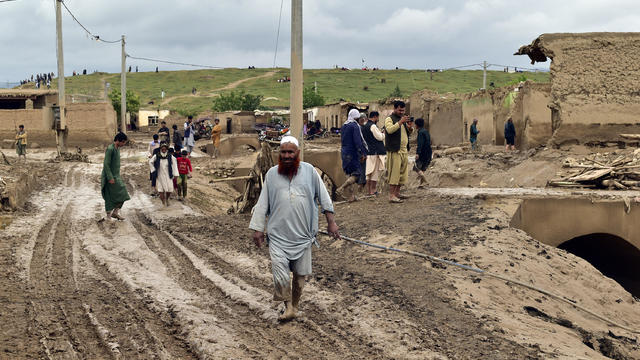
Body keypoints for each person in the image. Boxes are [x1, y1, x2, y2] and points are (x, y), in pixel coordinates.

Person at [249, 136, 340, 321]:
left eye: (291, 152)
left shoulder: (310, 172)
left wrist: (331, 222)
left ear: (297, 153)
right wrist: (258, 229)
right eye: (283, 152)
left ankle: (295, 305)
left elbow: (324, 198)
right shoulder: (272, 175)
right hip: (278, 236)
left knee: (300, 277)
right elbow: (262, 204)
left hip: (303, 236)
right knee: (280, 274)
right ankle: (288, 307)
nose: (287, 156)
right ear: (279, 154)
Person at [335, 109, 368, 201]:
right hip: (352, 153)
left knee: (349, 174)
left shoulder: (344, 126)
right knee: (357, 174)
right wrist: (362, 153)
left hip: (344, 152)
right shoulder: (354, 126)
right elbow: (357, 141)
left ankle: (351, 196)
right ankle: (341, 188)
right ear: (356, 117)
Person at [384, 100, 413, 203]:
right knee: (394, 173)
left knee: (402, 174)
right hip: (395, 150)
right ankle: (391, 195)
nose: (402, 112)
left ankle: (397, 193)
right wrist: (400, 122)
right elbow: (389, 130)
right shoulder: (389, 119)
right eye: (400, 110)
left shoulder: (402, 119)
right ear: (395, 108)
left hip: (404, 150)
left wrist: (409, 127)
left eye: (403, 110)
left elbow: (406, 133)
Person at [101, 133, 130, 221]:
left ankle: (115, 212)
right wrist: (110, 177)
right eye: (123, 142)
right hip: (109, 176)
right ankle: (108, 216)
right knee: (109, 196)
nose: (124, 144)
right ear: (119, 140)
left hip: (116, 176)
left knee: (123, 194)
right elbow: (106, 164)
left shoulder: (117, 149)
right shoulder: (110, 149)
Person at [361, 111, 386, 195]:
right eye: (378, 117)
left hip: (368, 152)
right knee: (374, 172)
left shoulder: (364, 126)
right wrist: (384, 134)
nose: (378, 119)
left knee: (368, 173)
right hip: (375, 152)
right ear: (375, 117)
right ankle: (373, 190)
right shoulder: (373, 126)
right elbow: (379, 137)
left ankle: (369, 191)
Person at [413, 118, 432, 188]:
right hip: (428, 152)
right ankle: (421, 184)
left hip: (422, 152)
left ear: (417, 125)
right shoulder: (426, 131)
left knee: (416, 167)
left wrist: (418, 153)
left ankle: (426, 181)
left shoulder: (420, 132)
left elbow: (420, 144)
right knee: (423, 168)